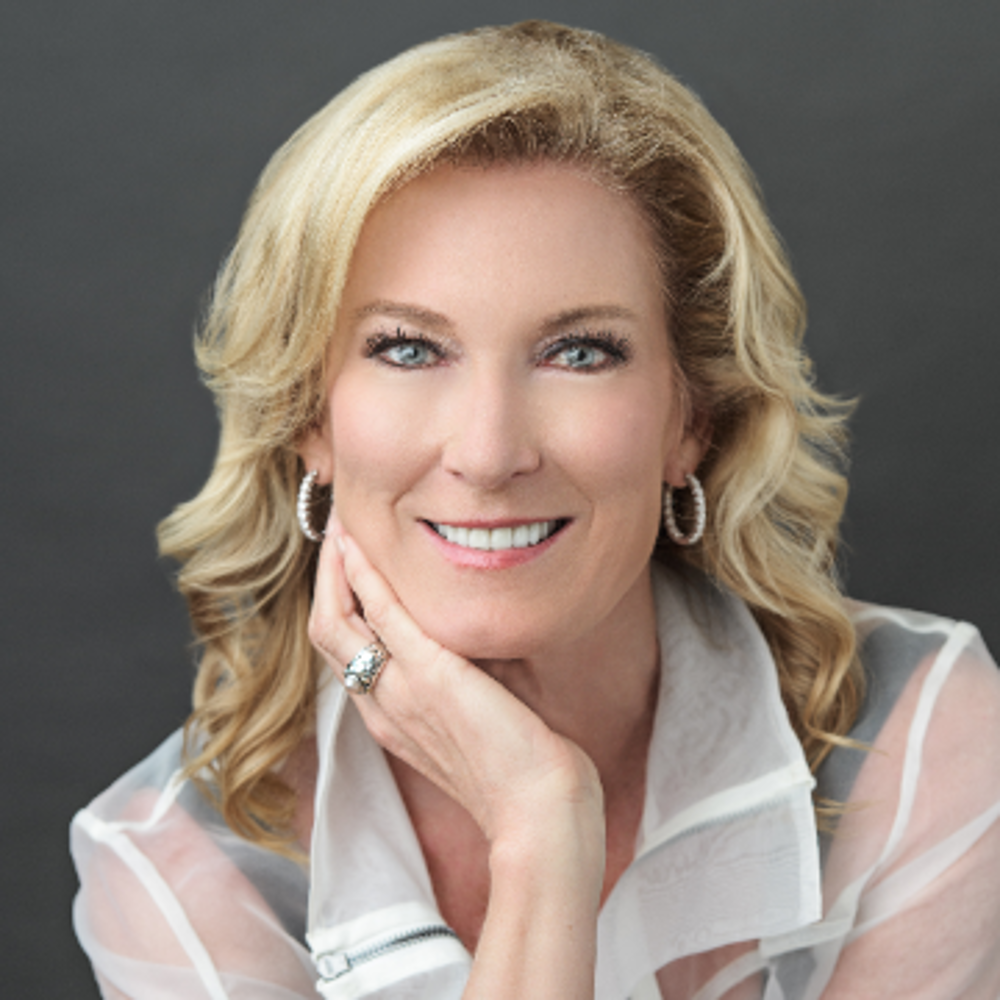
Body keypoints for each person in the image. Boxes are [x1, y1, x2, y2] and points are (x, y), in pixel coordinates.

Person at [70, 21, 1000, 1000]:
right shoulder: (177, 877)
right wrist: (542, 828)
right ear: (310, 417)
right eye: (408, 349)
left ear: (693, 416)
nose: (487, 454)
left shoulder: (927, 746)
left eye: (579, 352)